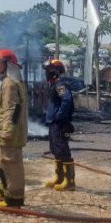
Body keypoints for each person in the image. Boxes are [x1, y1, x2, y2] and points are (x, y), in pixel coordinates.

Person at [0, 49, 28, 208]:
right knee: (4, 163)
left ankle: (14, 198)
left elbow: (11, 110)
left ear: (7, 64)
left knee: (11, 164)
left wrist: (7, 132)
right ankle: (5, 191)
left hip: (10, 133)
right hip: (7, 132)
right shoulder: (11, 82)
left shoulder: (9, 83)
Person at [43, 59, 76, 191]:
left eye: (50, 71)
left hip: (59, 122)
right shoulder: (53, 85)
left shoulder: (60, 85)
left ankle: (69, 182)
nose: (47, 73)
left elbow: (66, 100)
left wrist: (60, 115)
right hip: (53, 122)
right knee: (55, 150)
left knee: (62, 150)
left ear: (56, 72)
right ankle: (59, 178)